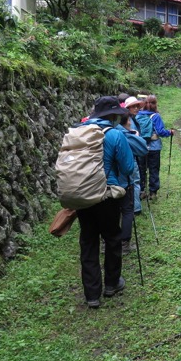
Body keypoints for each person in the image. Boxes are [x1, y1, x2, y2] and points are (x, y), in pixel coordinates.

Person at [77, 96, 135, 308]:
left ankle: (92, 295)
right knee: (112, 238)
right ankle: (111, 284)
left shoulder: (78, 132)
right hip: (107, 194)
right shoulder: (115, 135)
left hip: (82, 194)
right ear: (112, 116)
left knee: (88, 241)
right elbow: (128, 168)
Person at [116, 110, 148, 254]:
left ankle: (105, 243)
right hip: (122, 181)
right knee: (127, 211)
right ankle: (124, 244)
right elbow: (143, 149)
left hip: (101, 181)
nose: (130, 122)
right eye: (128, 120)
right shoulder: (122, 135)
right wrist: (134, 135)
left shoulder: (98, 132)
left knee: (111, 212)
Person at [138, 95, 174, 199]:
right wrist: (170, 132)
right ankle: (153, 193)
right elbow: (160, 132)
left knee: (142, 169)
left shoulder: (138, 115)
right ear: (155, 104)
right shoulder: (156, 116)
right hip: (154, 147)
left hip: (141, 147)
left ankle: (142, 191)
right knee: (153, 169)